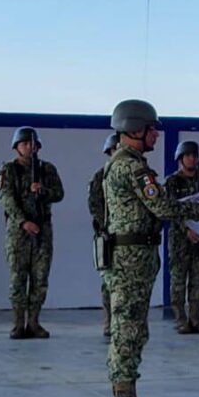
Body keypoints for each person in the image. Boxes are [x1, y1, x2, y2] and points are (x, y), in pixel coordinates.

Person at [103, 99, 199, 397]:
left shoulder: (119, 163)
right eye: (152, 129)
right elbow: (161, 206)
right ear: (135, 129)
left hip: (129, 257)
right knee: (129, 329)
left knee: (129, 327)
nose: (157, 135)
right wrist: (198, 209)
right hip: (130, 260)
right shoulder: (133, 167)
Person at [0, 126, 64, 340]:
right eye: (25, 144)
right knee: (18, 278)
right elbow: (6, 199)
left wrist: (42, 191)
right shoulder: (8, 170)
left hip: (43, 231)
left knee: (40, 277)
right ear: (17, 147)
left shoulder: (47, 169)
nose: (29, 147)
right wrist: (23, 221)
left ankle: (34, 322)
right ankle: (18, 323)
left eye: (33, 144)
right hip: (19, 232)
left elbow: (59, 193)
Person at [164, 140, 199, 334]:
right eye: (188, 155)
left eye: (195, 155)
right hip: (180, 240)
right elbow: (168, 209)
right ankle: (180, 319)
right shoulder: (172, 182)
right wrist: (185, 230)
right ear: (180, 158)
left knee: (198, 280)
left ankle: (195, 319)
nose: (192, 159)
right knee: (178, 280)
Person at [87, 133, 119, 338]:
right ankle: (109, 321)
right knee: (108, 281)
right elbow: (95, 205)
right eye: (115, 150)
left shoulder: (132, 172)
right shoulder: (101, 176)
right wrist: (107, 225)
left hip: (130, 236)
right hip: (107, 235)